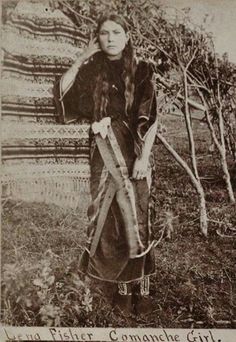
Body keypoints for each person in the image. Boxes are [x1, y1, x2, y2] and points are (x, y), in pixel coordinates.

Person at [54, 13, 158, 316]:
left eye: (116, 32)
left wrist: (143, 157)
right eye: (103, 33)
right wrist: (82, 57)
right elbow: (63, 95)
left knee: (137, 216)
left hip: (132, 152)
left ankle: (144, 288)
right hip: (102, 154)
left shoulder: (142, 70)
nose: (110, 38)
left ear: (126, 36)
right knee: (110, 218)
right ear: (96, 38)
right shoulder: (91, 71)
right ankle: (124, 288)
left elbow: (151, 119)